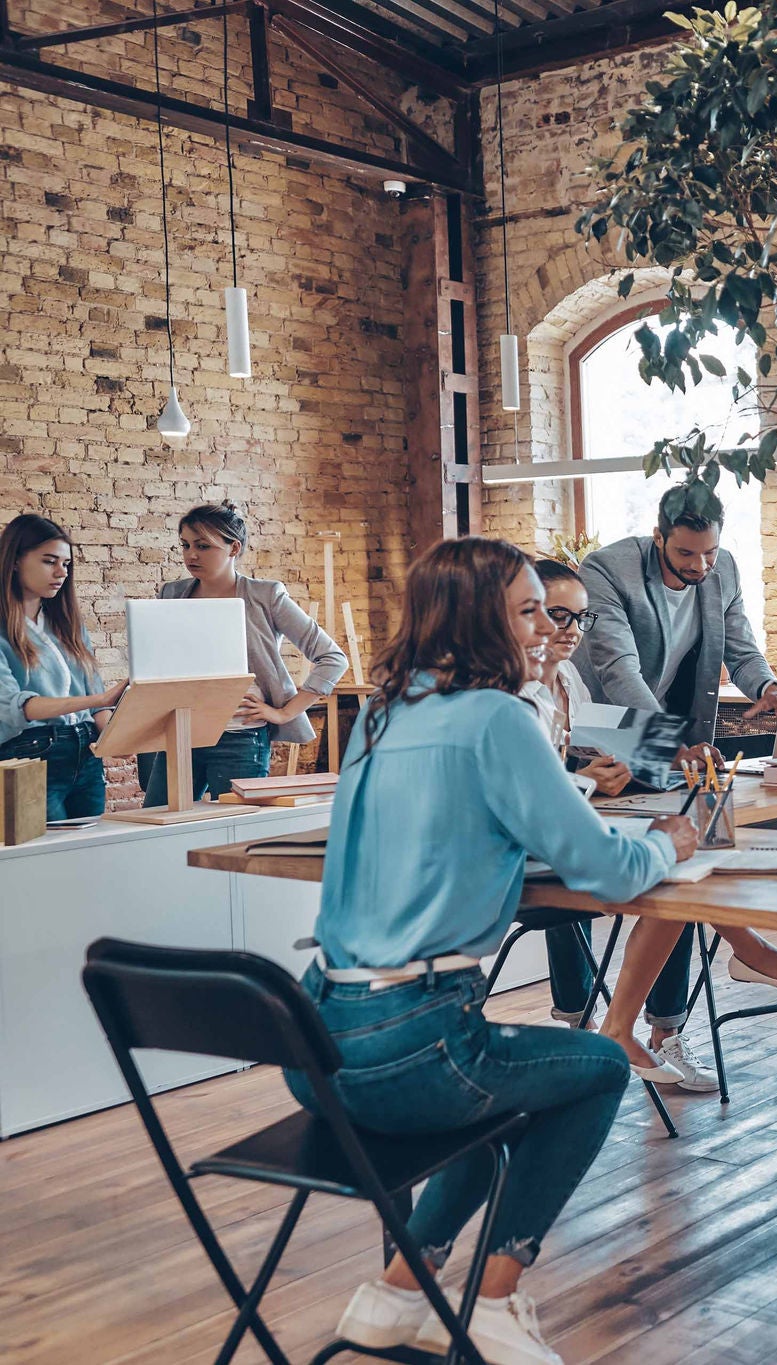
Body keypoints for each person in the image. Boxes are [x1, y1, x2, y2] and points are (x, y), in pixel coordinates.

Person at [300, 536, 690, 1365]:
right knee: (596, 1067)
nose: (544, 625)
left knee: (507, 1093)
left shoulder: (382, 712)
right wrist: (671, 843)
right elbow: (606, 870)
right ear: (483, 621)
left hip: (318, 1041)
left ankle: (400, 1290)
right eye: (527, 610)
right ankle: (496, 1299)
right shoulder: (499, 719)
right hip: (413, 1047)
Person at [530, 558, 777, 1081]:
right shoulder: (514, 694)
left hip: (569, 826)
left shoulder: (569, 681)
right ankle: (745, 950)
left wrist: (652, 758)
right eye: (556, 615)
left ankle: (638, 1026)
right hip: (539, 849)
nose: (571, 632)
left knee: (700, 828)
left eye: (580, 619)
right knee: (681, 862)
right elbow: (536, 788)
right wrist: (591, 779)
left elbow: (583, 752)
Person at [143, 502, 348, 806]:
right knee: (157, 825)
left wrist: (284, 712)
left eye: (203, 546)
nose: (191, 555)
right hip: (181, 733)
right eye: (185, 545)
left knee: (233, 830)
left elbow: (332, 658)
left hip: (239, 737)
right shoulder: (172, 593)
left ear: (233, 548)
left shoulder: (265, 595)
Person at [576, 480, 777, 739]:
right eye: (685, 553)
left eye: (710, 552)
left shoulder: (725, 569)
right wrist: (667, 743)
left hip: (661, 720)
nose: (699, 565)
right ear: (658, 537)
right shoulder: (607, 569)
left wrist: (769, 687)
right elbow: (619, 670)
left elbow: (742, 655)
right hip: (600, 722)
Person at [0, 514, 127, 820]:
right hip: (28, 755)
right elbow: (15, 708)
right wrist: (98, 701)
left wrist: (116, 738)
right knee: (44, 860)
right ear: (15, 560)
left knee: (89, 855)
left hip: (86, 754)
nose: (61, 572)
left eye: (66, 564)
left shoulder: (67, 623)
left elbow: (96, 694)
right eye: (49, 561)